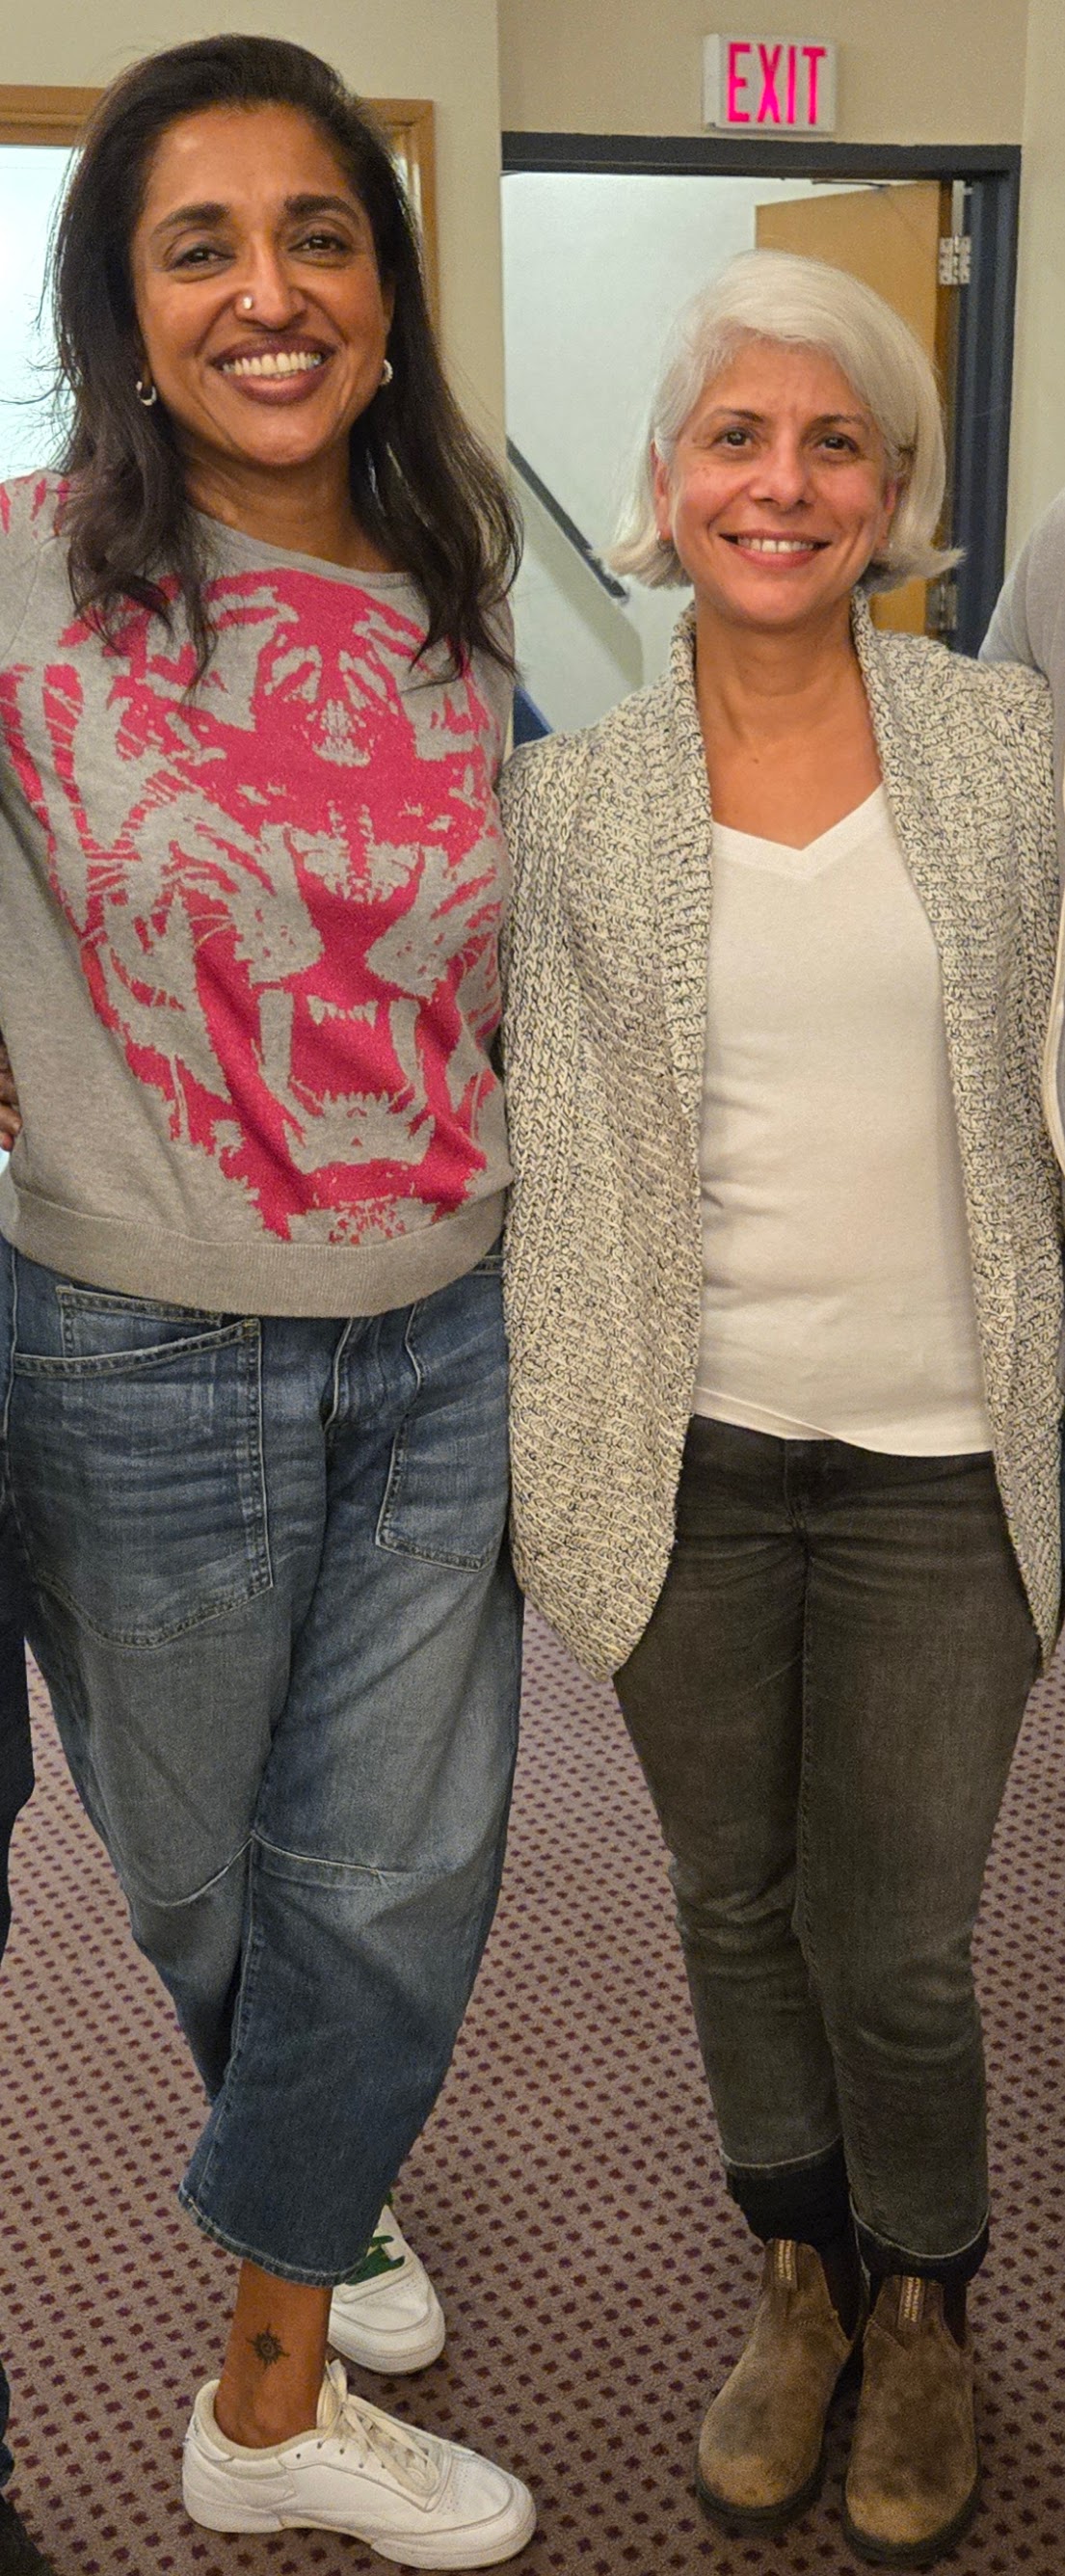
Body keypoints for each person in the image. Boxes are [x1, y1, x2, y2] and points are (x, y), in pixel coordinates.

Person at [0, 36, 535, 2564]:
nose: (268, 291)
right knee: (206, 1888)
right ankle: (324, 2178)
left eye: (318, 234)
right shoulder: (23, 574)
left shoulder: (457, 591)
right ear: (123, 306)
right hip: (132, 1352)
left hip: (447, 1324)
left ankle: (268, 2381)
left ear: (385, 289)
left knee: (398, 1878)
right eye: (197, 244)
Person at [500, 250, 1063, 2569]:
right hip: (687, 1452)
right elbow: (521, 1132)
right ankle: (799, 2276)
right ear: (660, 480)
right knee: (731, 1899)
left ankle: (923, 2302)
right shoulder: (569, 804)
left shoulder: (1008, 749)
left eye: (834, 441)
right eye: (733, 435)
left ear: (892, 490)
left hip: (946, 1458)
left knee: (898, 1938)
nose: (781, 480)